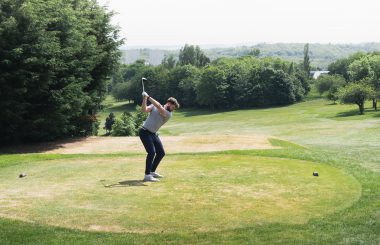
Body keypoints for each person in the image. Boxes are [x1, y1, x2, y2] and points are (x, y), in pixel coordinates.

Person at [139, 91, 180, 182]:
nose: (173, 109)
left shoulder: (168, 114)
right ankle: (147, 175)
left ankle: (152, 171)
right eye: (173, 107)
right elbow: (144, 110)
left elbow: (159, 107)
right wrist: (145, 99)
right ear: (169, 103)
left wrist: (148, 96)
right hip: (144, 132)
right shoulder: (154, 106)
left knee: (161, 153)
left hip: (153, 134)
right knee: (152, 152)